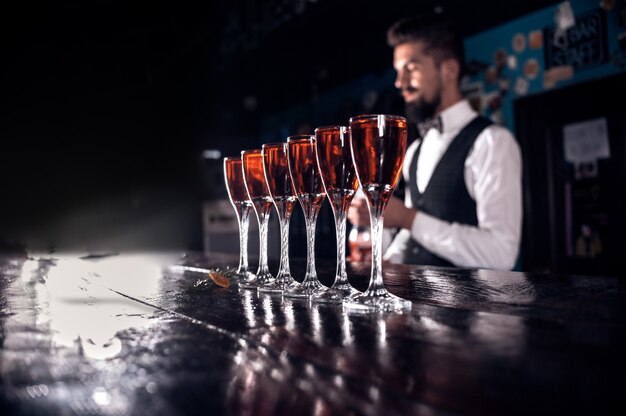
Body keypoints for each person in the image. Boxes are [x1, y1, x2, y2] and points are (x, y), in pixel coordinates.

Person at [348, 16, 522, 270]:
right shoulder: (416, 150)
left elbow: (501, 254)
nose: (400, 82)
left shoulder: (493, 143)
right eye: (398, 72)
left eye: (411, 68)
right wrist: (388, 259)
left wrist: (407, 218)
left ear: (448, 70)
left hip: (472, 308)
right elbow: (414, 237)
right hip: (415, 304)